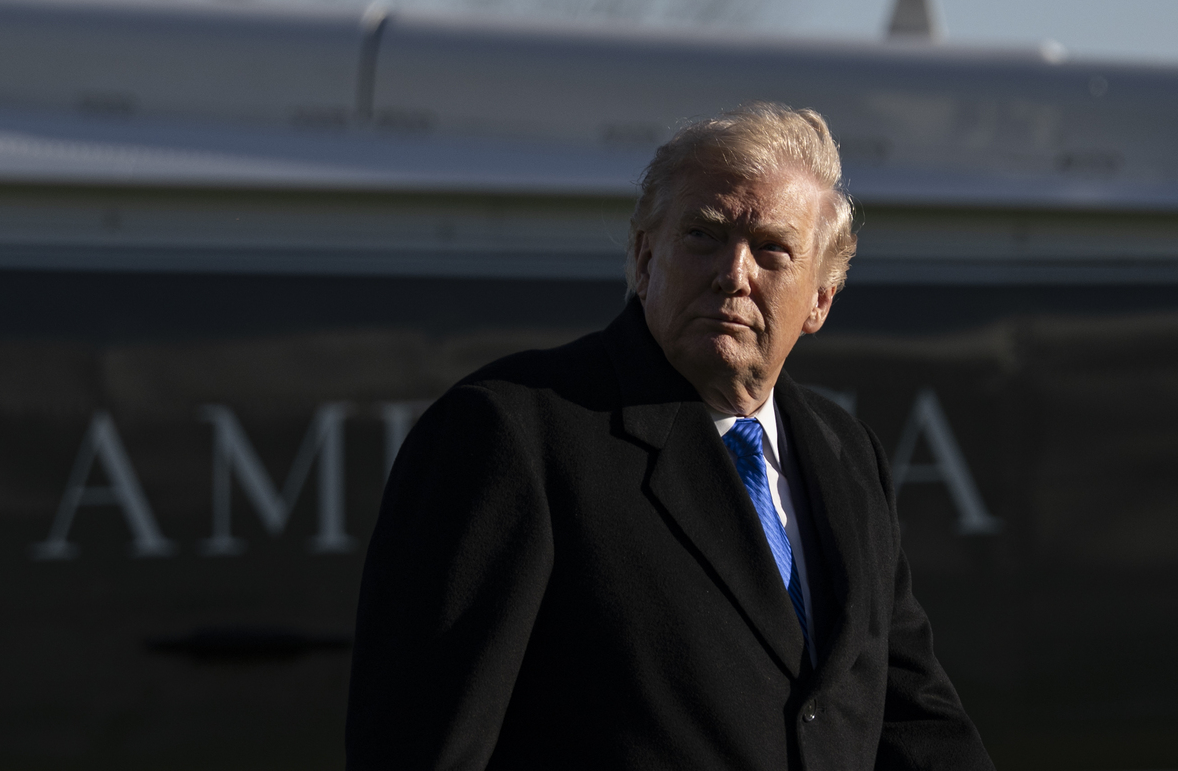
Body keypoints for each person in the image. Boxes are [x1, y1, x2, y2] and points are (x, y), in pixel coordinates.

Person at [346, 102, 994, 770]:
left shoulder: (847, 454)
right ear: (643, 255)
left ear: (820, 299)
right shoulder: (509, 433)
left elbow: (915, 723)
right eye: (704, 235)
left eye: (772, 250)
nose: (733, 273)